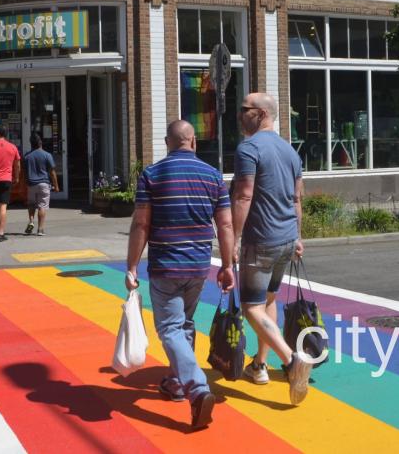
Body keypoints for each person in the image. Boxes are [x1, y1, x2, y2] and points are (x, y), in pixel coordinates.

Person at [125, 120, 235, 430]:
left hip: (165, 266)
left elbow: (141, 224)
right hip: (199, 266)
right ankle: (176, 382)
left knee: (171, 328)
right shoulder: (213, 176)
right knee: (185, 323)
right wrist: (226, 265)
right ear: (194, 142)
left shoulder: (152, 174)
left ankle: (197, 389)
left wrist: (131, 265)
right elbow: (225, 226)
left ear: (167, 142)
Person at [230, 92, 312, 406]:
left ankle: (292, 360)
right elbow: (296, 199)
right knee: (268, 299)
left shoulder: (249, 148)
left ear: (262, 113)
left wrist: (234, 239)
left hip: (261, 239)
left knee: (251, 307)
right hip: (286, 239)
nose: (240, 115)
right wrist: (298, 236)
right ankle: (260, 366)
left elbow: (243, 196)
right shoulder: (289, 151)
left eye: (244, 110)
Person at [22, 133, 59, 236]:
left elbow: (24, 172)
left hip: (31, 184)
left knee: (31, 204)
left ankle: (31, 221)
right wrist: (56, 185)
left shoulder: (27, 156)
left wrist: (26, 183)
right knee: (42, 206)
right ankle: (40, 229)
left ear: (31, 144)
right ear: (40, 142)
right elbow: (52, 172)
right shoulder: (47, 155)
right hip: (44, 183)